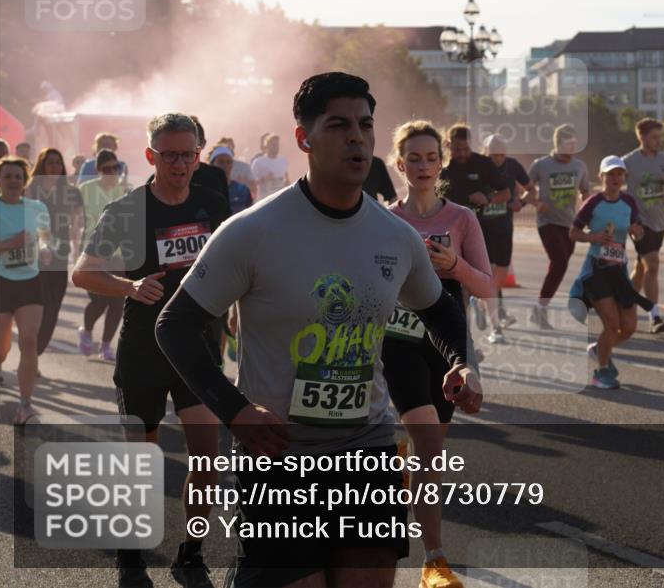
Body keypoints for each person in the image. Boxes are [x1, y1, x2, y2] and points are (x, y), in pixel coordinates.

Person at [154, 72, 481, 588]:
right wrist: (234, 410)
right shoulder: (251, 232)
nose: (357, 137)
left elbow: (439, 309)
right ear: (304, 138)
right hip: (280, 458)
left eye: (366, 125)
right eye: (339, 125)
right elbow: (174, 325)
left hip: (368, 454)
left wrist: (462, 361)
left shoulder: (395, 237)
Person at [73, 113, 229, 588]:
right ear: (150, 156)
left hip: (199, 348)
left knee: (206, 458)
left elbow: (234, 266)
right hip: (144, 348)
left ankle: (191, 551)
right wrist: (129, 284)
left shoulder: (211, 203)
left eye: (188, 154)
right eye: (169, 154)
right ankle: (131, 555)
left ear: (199, 154)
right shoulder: (127, 210)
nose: (180, 163)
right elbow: (82, 273)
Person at [383, 119, 493, 588]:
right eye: (413, 158)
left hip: (446, 347)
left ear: (442, 162)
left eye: (431, 158)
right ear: (398, 163)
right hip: (400, 343)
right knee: (428, 447)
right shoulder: (384, 218)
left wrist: (456, 266)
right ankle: (435, 559)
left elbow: (488, 286)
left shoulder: (462, 219)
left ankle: (431, 558)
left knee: (429, 454)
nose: (423, 166)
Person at [568, 156, 647, 389]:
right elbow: (573, 232)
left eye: (619, 174)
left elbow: (638, 232)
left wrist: (636, 231)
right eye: (610, 174)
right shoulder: (593, 203)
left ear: (624, 178)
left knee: (630, 326)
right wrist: (594, 237)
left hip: (619, 269)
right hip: (597, 270)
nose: (615, 178)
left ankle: (600, 349)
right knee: (612, 325)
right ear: (601, 177)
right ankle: (601, 372)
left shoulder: (629, 203)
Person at [437, 124, 510, 331]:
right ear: (448, 145)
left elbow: (506, 193)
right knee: (458, 286)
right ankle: (465, 335)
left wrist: (487, 198)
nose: (461, 154)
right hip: (451, 233)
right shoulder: (442, 167)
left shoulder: (483, 163)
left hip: (483, 229)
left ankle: (495, 327)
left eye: (465, 149)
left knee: (486, 277)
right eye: (457, 149)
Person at [0, 156, 50, 422]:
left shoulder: (37, 207)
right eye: (7, 176)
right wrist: (11, 244)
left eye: (18, 176)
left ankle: (25, 404)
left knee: (29, 340)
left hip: (30, 280)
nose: (13, 180)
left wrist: (46, 250)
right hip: (0, 280)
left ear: (25, 181)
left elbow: (45, 238)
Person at [522, 124, 592, 329]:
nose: (572, 148)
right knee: (559, 262)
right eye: (569, 144)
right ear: (558, 144)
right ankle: (540, 309)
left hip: (569, 223)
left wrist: (589, 210)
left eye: (575, 144)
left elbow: (585, 192)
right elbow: (525, 189)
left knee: (559, 265)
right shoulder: (541, 165)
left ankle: (539, 309)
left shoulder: (580, 166)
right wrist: (536, 203)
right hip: (547, 221)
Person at [622, 118, 664, 334]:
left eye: (660, 137)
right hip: (639, 222)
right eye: (654, 137)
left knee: (641, 268)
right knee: (652, 263)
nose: (658, 141)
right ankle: (654, 316)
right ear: (642, 137)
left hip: (659, 220)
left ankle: (625, 303)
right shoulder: (628, 161)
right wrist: (627, 219)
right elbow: (615, 187)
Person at [26, 148, 84, 356]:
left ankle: (34, 354)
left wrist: (78, 249)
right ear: (42, 164)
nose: (55, 166)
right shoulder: (30, 188)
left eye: (58, 162)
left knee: (52, 310)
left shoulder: (71, 191)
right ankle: (30, 356)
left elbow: (78, 223)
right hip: (34, 256)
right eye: (50, 162)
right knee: (40, 306)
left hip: (60, 255)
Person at [76, 150, 128, 361]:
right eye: (106, 169)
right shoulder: (85, 190)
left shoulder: (124, 190)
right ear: (98, 170)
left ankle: (106, 344)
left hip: (119, 253)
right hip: (93, 253)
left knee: (117, 301)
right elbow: (76, 219)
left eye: (115, 168)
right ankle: (86, 331)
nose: (111, 172)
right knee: (99, 300)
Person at [480, 134, 530, 343]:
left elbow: (530, 188)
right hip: (482, 230)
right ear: (485, 153)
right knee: (488, 274)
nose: (497, 159)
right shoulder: (478, 166)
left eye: (501, 155)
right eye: (493, 155)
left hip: (504, 229)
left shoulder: (513, 166)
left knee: (498, 276)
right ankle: (495, 325)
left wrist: (521, 203)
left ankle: (482, 301)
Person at [188, 116, 230, 203]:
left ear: (203, 143)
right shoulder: (166, 177)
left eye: (193, 141)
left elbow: (226, 213)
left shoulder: (217, 175)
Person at [209, 145, 252, 215]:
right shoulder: (206, 191)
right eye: (221, 162)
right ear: (212, 165)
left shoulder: (244, 190)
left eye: (229, 162)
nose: (225, 166)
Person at [250, 132, 289, 199]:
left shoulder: (283, 160)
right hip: (265, 200)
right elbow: (251, 184)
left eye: (277, 145)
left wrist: (286, 183)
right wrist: (264, 179)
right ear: (267, 146)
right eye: (273, 145)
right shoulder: (258, 162)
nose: (276, 147)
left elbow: (286, 178)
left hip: (281, 198)